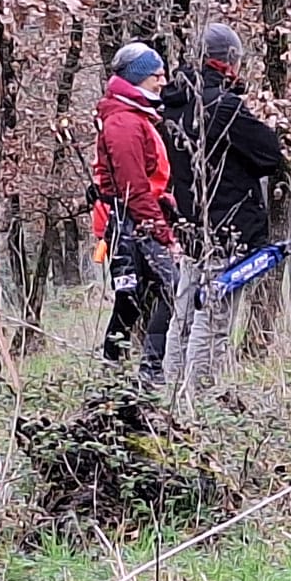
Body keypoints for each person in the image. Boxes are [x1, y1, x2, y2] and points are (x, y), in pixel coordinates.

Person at [161, 23, 284, 384]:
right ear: (229, 63)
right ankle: (199, 401)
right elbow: (269, 154)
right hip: (228, 229)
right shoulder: (222, 107)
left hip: (190, 228)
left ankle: (171, 395)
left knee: (182, 316)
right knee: (213, 319)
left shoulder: (172, 107)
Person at [94, 41, 182, 385]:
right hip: (134, 225)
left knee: (135, 300)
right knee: (163, 292)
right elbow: (134, 187)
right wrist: (163, 234)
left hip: (141, 219)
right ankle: (143, 372)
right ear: (137, 79)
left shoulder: (133, 117)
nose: (162, 82)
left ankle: (123, 374)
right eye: (155, 76)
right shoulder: (124, 123)